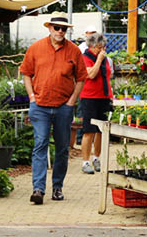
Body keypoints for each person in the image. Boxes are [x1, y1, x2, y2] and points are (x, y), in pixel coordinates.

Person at [20, 12, 87, 205]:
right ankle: (38, 189)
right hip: (40, 106)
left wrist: (72, 101)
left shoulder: (74, 51)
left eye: (63, 28)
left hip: (63, 107)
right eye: (56, 28)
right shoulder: (36, 48)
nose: (60, 31)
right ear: (49, 28)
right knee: (40, 144)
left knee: (62, 149)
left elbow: (81, 78)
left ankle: (57, 187)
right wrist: (32, 97)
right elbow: (25, 73)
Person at [79, 32, 112, 174]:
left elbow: (108, 77)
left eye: (103, 47)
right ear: (91, 46)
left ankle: (96, 158)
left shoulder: (105, 58)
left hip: (104, 97)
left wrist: (110, 96)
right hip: (89, 98)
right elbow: (91, 74)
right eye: (99, 47)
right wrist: (99, 60)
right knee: (89, 130)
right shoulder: (84, 58)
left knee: (100, 131)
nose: (101, 50)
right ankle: (85, 162)